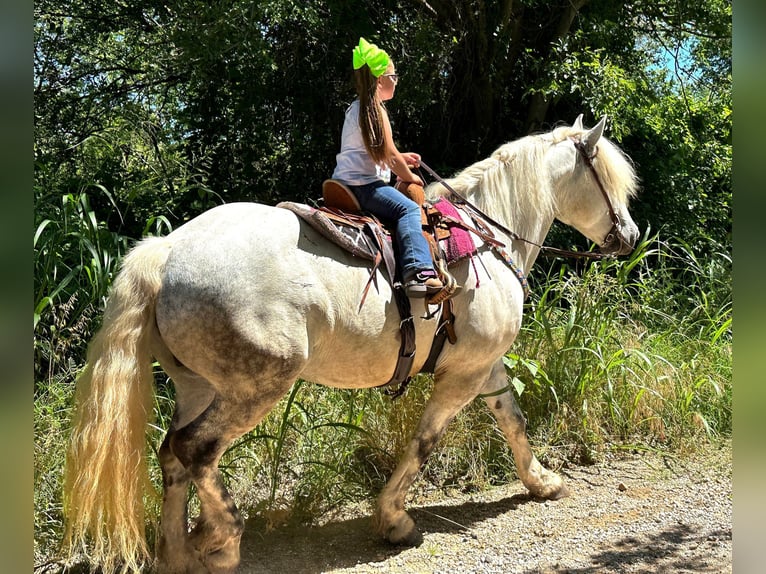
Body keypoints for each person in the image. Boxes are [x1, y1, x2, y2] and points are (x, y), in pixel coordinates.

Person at [332, 37, 443, 298]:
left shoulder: (358, 108)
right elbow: (390, 159)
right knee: (407, 209)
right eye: (394, 75)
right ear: (381, 79)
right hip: (364, 187)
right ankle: (417, 271)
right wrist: (411, 177)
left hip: (345, 182)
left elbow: (375, 152)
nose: (397, 80)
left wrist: (401, 158)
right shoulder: (376, 111)